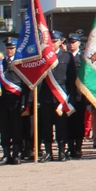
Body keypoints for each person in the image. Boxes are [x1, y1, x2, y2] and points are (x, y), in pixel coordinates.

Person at [38, 31, 77, 162]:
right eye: (51, 41)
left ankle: (61, 151)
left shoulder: (67, 56)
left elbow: (72, 79)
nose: (53, 44)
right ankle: (48, 152)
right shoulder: (43, 57)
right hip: (46, 96)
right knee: (46, 125)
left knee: (62, 125)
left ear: (60, 41)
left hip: (62, 96)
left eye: (55, 41)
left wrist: (71, 97)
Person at [0, 38, 24, 165]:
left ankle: (16, 154)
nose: (9, 51)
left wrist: (24, 101)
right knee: (5, 129)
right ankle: (6, 154)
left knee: (17, 128)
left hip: (16, 102)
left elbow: (25, 84)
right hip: (3, 102)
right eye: (8, 48)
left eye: (12, 48)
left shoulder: (21, 64)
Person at [66, 32, 86, 158]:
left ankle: (78, 147)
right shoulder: (64, 57)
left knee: (79, 122)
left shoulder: (83, 58)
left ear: (79, 43)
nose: (71, 44)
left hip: (79, 95)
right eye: (69, 42)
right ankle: (70, 147)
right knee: (68, 122)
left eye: (73, 42)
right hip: (66, 94)